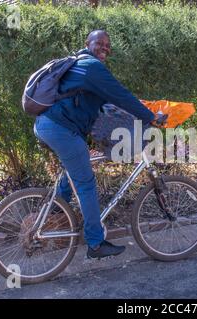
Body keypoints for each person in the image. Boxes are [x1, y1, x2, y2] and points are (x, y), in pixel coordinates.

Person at [33, 30, 156, 259]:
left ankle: (53, 214)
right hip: (60, 128)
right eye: (100, 43)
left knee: (73, 172)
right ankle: (95, 244)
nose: (105, 47)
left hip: (49, 125)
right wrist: (151, 117)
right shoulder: (92, 67)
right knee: (86, 183)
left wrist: (137, 109)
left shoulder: (79, 65)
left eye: (108, 45)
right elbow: (121, 95)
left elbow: (109, 101)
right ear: (87, 44)